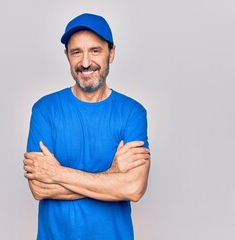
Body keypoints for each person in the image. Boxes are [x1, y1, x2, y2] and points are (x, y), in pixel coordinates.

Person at [23, 13, 151, 240]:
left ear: (111, 53)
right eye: (76, 52)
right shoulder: (45, 110)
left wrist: (57, 173)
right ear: (67, 56)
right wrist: (111, 176)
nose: (85, 62)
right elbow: (39, 189)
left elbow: (133, 187)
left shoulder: (132, 112)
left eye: (95, 51)